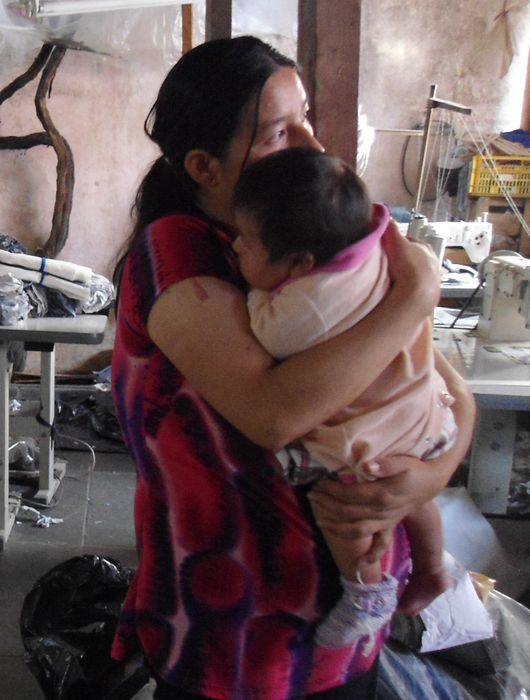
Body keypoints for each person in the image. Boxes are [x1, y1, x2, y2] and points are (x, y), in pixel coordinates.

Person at [110, 36, 475, 699]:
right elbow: (273, 414)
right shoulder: (179, 257)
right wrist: (415, 293)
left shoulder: (314, 243)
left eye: (305, 118)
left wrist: (429, 475)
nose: (311, 143)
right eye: (279, 133)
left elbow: (438, 388)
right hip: (235, 639)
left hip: (342, 636)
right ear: (204, 166)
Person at [232, 147, 455, 649]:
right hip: (424, 411)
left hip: (372, 432)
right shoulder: (374, 247)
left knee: (344, 510)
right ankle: (432, 565)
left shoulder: (306, 305)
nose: (236, 246)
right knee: (414, 494)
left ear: (299, 263)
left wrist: (254, 296)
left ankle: (366, 589)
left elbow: (268, 335)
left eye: (245, 241)